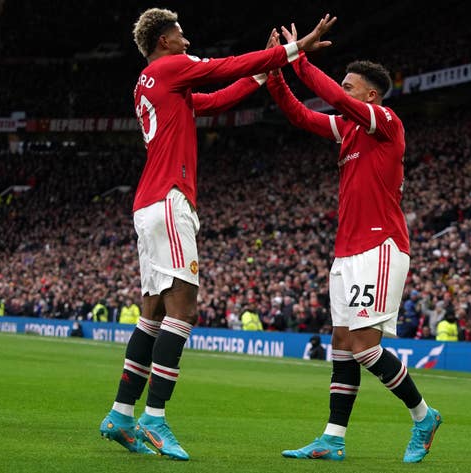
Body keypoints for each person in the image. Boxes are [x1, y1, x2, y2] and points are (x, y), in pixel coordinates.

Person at [99, 7, 338, 460]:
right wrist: (295, 50)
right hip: (170, 199)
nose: (187, 43)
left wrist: (268, 73)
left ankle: (120, 414)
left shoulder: (151, 84)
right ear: (164, 40)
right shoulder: (170, 67)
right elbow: (227, 68)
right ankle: (155, 419)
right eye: (181, 35)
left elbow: (217, 99)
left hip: (148, 205)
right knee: (182, 311)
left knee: (151, 312)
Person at [265, 22, 441, 463]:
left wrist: (297, 56)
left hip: (380, 247)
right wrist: (275, 71)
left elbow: (335, 99)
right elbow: (299, 115)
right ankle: (333, 438)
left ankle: (423, 416)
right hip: (346, 252)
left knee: (363, 344)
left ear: (370, 96)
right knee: (343, 342)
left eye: (349, 86)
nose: (341, 91)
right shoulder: (348, 131)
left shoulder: (387, 123)